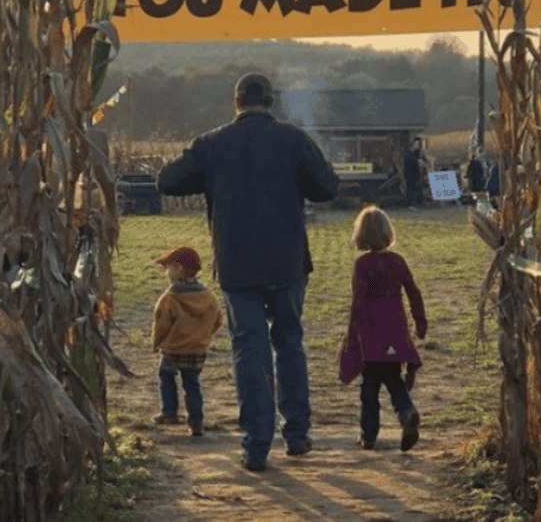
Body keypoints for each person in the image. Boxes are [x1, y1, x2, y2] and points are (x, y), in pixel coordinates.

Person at [156, 73, 339, 472]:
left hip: (237, 263)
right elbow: (327, 187)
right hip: (288, 261)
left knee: (250, 352)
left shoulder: (213, 143)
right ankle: (297, 435)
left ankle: (256, 445)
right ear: (271, 102)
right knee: (289, 343)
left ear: (235, 102)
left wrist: (207, 172)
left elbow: (167, 181)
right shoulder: (294, 139)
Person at [338, 205, 427, 452]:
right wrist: (420, 323)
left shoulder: (362, 265)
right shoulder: (397, 261)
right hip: (396, 330)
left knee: (369, 387)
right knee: (394, 379)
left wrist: (351, 336)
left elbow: (358, 302)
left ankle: (368, 435)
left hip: (370, 333)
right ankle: (406, 412)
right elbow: (413, 292)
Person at [151, 245, 223, 437]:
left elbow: (161, 324)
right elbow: (218, 319)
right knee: (192, 383)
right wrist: (203, 335)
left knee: (166, 376)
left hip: (172, 349)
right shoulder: (208, 295)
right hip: (197, 349)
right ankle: (196, 422)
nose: (167, 272)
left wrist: (157, 343)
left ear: (178, 269)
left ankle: (169, 412)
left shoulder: (170, 297)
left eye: (169, 267)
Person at [403, 137, 426, 209]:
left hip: (415, 174)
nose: (417, 146)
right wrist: (418, 163)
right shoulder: (409, 154)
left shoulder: (416, 154)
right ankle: (410, 204)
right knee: (411, 188)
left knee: (415, 188)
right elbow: (411, 163)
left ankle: (417, 203)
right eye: (416, 144)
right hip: (410, 174)